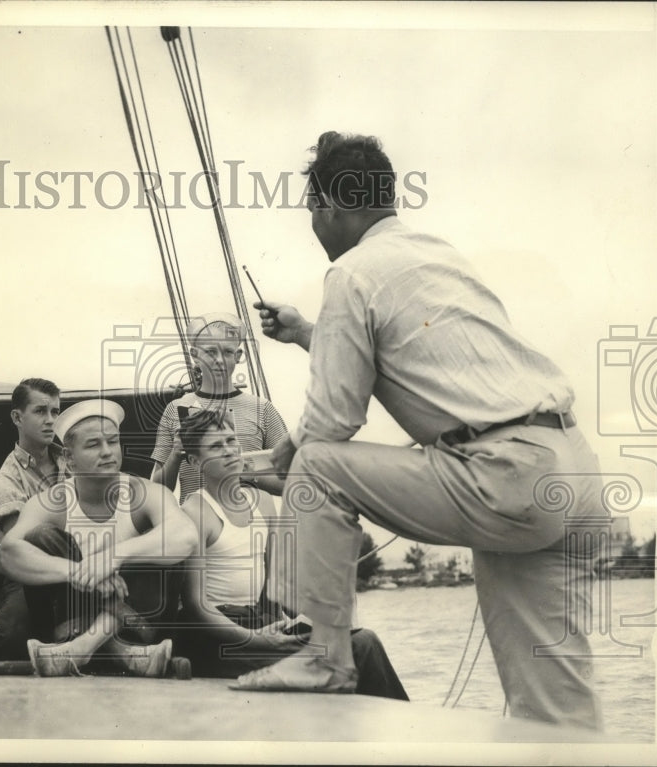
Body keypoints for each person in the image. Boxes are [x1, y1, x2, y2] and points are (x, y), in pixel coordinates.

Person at [237, 131, 603, 730]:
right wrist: (310, 331)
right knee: (555, 707)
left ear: (331, 204)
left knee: (319, 465)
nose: (312, 225)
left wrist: (284, 454)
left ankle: (326, 659)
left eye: (310, 211)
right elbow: (420, 359)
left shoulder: (350, 273)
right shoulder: (436, 252)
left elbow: (332, 423)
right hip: (569, 470)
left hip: (504, 475)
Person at [176, 409, 408, 700]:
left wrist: (294, 621)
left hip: (260, 622)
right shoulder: (195, 512)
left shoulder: (261, 501)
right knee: (361, 646)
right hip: (219, 639)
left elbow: (273, 588)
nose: (229, 451)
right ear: (195, 461)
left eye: (232, 441)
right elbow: (196, 606)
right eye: (215, 446)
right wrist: (260, 639)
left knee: (356, 638)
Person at [0, 399, 199, 676]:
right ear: (69, 458)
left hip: (137, 633)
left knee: (160, 540)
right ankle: (117, 652)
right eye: (93, 445)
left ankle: (87, 646)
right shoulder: (53, 501)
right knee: (41, 536)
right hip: (69, 627)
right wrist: (79, 571)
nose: (107, 452)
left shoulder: (144, 493)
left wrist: (113, 557)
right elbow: (8, 553)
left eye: (113, 442)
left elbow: (186, 535)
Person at [150, 313, 288, 502]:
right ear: (195, 356)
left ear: (238, 356)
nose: (219, 360)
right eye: (210, 352)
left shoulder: (262, 408)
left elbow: (289, 480)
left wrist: (248, 474)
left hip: (249, 522)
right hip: (197, 523)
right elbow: (156, 490)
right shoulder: (176, 409)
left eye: (227, 352)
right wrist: (175, 455)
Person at [0, 378, 64, 661]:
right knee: (11, 644)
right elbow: (22, 546)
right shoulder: (5, 481)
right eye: (41, 411)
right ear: (17, 417)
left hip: (82, 556)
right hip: (29, 572)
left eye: (55, 412)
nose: (50, 420)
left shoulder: (73, 460)